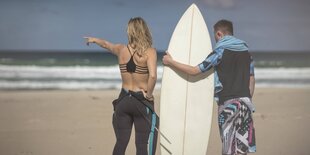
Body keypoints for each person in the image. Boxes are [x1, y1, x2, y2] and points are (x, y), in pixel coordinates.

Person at [162, 19, 256, 155]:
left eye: (215, 36)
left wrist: (171, 62)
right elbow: (251, 79)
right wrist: (246, 99)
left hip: (228, 105)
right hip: (246, 104)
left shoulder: (220, 52)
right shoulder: (247, 53)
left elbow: (195, 71)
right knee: (242, 148)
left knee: (228, 147)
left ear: (219, 34)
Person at [84, 17, 159, 155]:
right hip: (140, 102)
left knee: (121, 142)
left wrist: (94, 40)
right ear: (145, 31)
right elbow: (153, 76)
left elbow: (106, 44)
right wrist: (148, 95)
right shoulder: (150, 52)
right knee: (142, 144)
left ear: (129, 31)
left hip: (123, 100)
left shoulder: (120, 49)